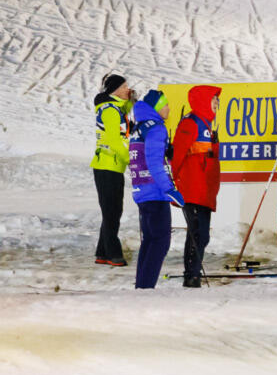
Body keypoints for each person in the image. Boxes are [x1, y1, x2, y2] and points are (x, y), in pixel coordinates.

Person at [127, 90, 181, 289]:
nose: (168, 108)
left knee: (150, 240)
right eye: (165, 104)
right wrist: (169, 189)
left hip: (141, 190)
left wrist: (168, 154)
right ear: (157, 108)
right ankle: (145, 287)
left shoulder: (140, 127)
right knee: (160, 241)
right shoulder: (157, 128)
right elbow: (154, 162)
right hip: (155, 191)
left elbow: (147, 156)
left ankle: (142, 285)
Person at [170, 85, 222, 287]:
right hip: (193, 188)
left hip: (204, 189)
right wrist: (175, 182)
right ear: (203, 101)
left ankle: (193, 273)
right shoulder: (190, 122)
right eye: (214, 99)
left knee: (202, 235)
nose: (217, 103)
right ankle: (191, 276)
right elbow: (178, 155)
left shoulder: (206, 124)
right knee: (198, 233)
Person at [91, 75, 132, 267]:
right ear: (114, 90)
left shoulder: (114, 108)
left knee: (112, 211)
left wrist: (130, 102)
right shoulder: (110, 111)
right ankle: (113, 254)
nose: (127, 89)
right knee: (112, 212)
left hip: (111, 166)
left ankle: (102, 252)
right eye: (124, 86)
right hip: (108, 166)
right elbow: (115, 141)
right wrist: (131, 160)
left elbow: (124, 117)